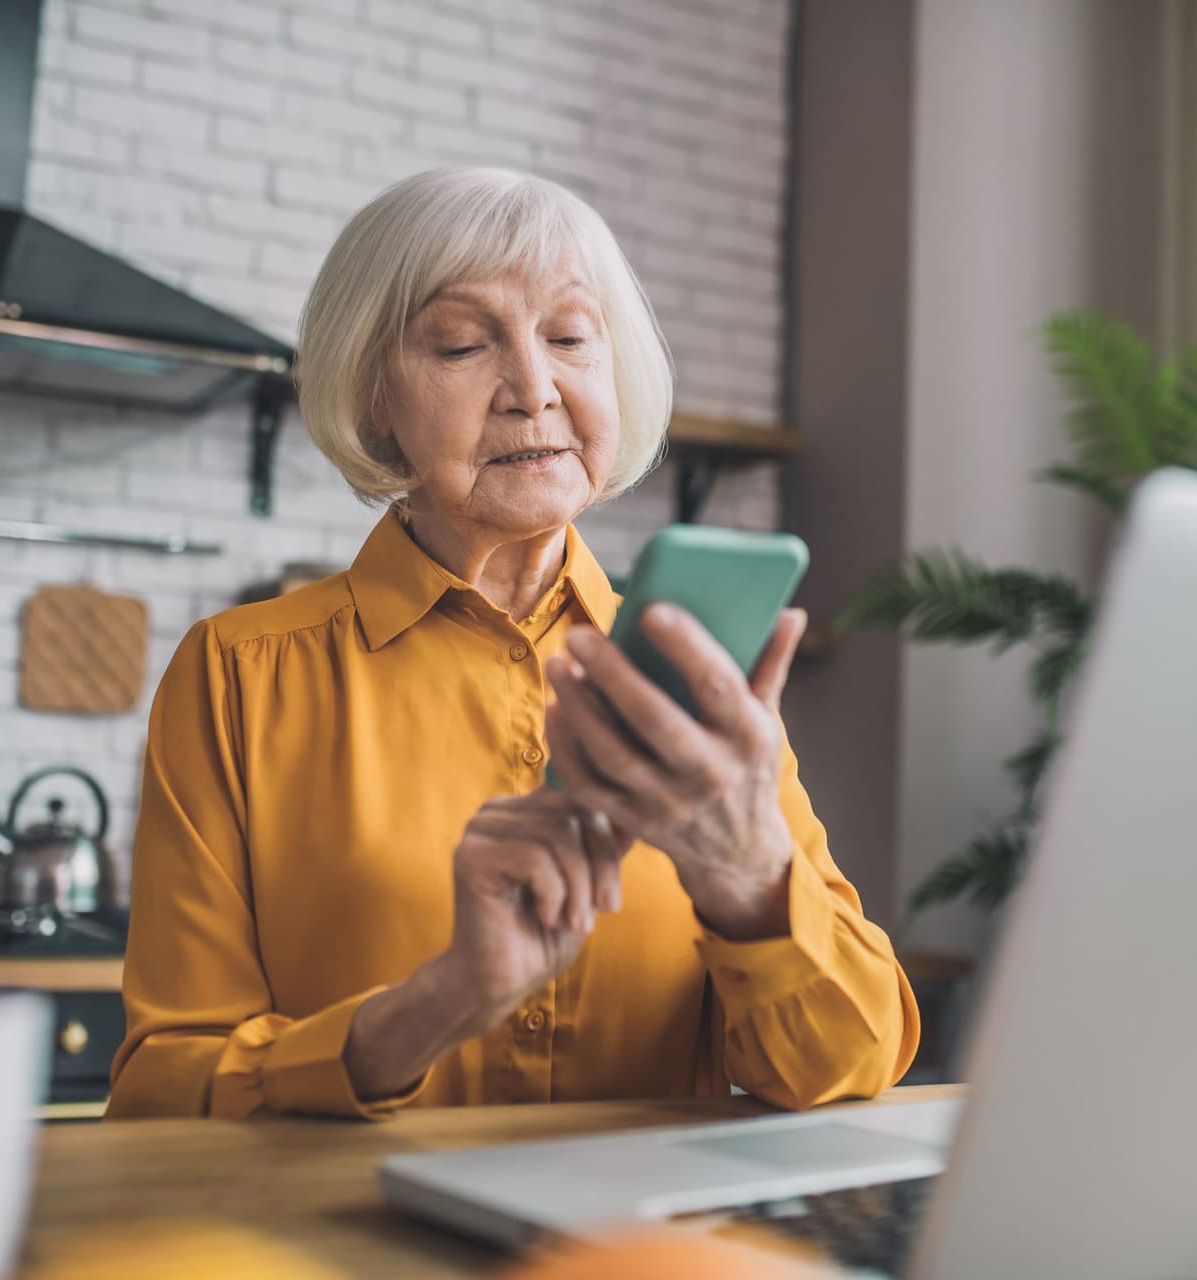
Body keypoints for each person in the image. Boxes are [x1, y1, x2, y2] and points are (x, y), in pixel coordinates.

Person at [107, 167, 919, 1120]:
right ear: (377, 402)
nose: (534, 389)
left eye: (570, 337)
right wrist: (434, 1005)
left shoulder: (695, 668)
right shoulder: (238, 673)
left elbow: (855, 1062)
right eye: (460, 344)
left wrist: (750, 879)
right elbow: (164, 1092)